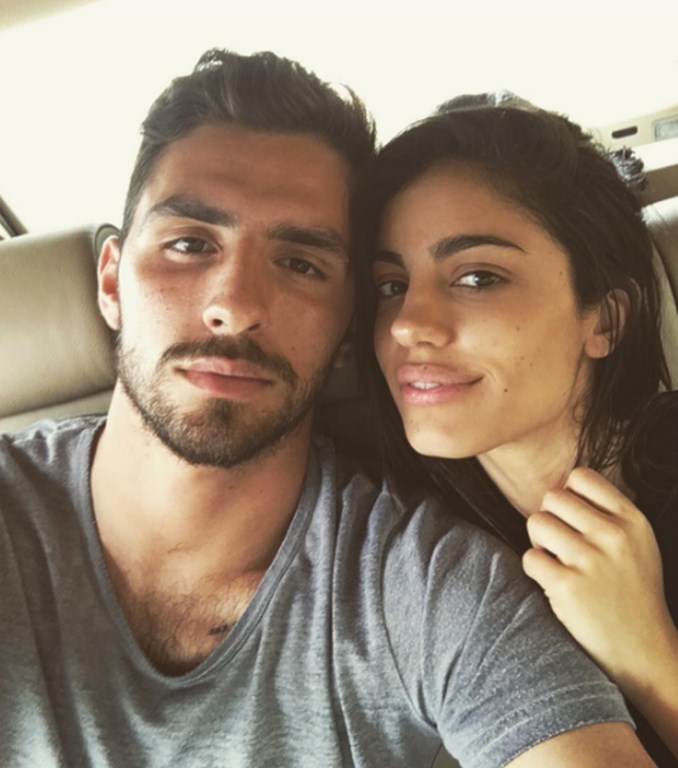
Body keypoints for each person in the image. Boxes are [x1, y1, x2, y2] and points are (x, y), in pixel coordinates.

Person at [0, 52, 655, 768]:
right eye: (188, 244)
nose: (234, 306)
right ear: (111, 282)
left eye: (300, 263)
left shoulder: (436, 586)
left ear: (344, 333)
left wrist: (649, 654)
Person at [365, 93, 678, 766]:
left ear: (605, 320)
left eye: (477, 277)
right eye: (391, 285)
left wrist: (649, 653)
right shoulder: (402, 548)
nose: (408, 325)